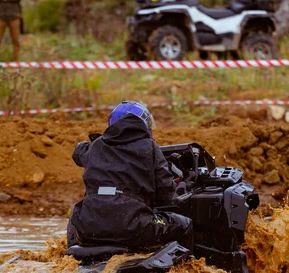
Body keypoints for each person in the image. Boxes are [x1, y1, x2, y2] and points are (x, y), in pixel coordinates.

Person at [67, 101, 194, 252]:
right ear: (143, 123)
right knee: (185, 224)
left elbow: (78, 152)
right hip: (133, 227)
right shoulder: (149, 147)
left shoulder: (96, 146)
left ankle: (71, 260)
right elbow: (166, 195)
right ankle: (189, 271)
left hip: (90, 229)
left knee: (76, 216)